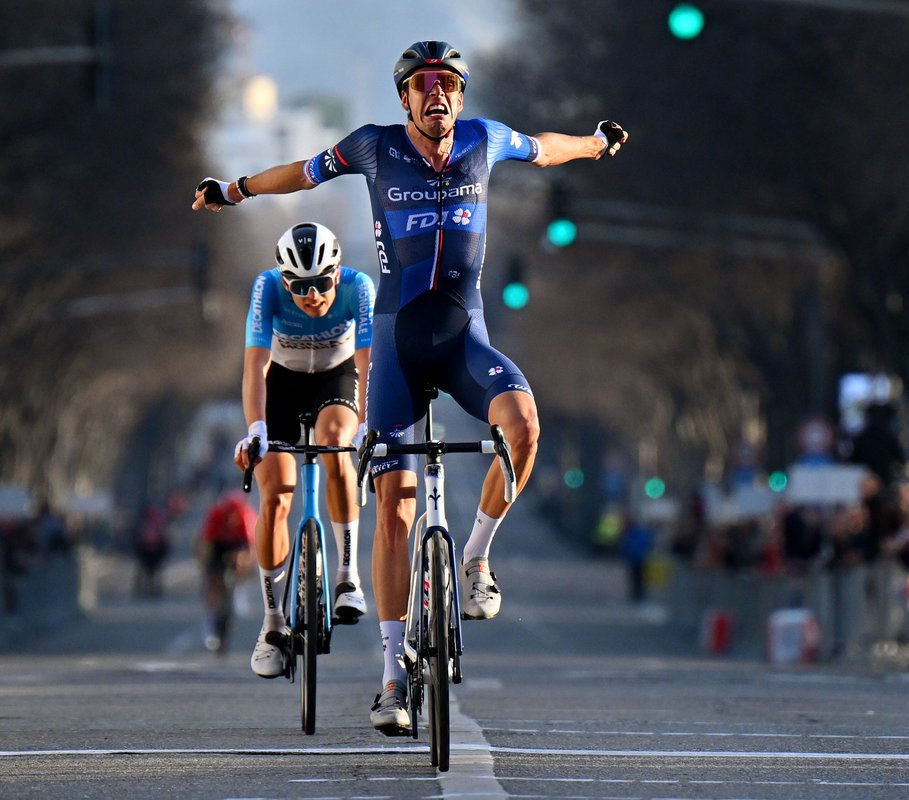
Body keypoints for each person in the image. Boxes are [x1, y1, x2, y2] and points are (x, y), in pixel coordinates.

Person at [194, 41, 627, 731]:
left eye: (449, 84)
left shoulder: (484, 141)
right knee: (394, 508)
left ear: (460, 94)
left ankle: (478, 560)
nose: (438, 95)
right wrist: (238, 188)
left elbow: (545, 149)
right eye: (424, 84)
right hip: (396, 349)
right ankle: (393, 678)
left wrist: (595, 144)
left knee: (524, 427)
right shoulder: (374, 147)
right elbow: (304, 176)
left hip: (462, 340)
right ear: (404, 97)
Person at [232, 221, 374, 679]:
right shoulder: (265, 288)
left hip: (337, 377)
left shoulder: (359, 287)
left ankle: (347, 575)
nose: (312, 296)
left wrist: (367, 425)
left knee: (336, 442)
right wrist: (255, 428)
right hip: (283, 385)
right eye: (299, 286)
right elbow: (255, 366)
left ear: (336, 274)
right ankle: (272, 622)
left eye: (321, 283)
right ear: (284, 280)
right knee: (276, 491)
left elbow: (369, 361)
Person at [197, 489, 256, 653]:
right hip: (218, 546)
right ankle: (210, 622)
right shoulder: (216, 516)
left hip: (238, 544)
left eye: (234, 516)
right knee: (213, 582)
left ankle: (239, 591)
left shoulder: (245, 516)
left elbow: (250, 547)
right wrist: (208, 569)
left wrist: (245, 570)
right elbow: (206, 544)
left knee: (241, 560)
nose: (231, 519)